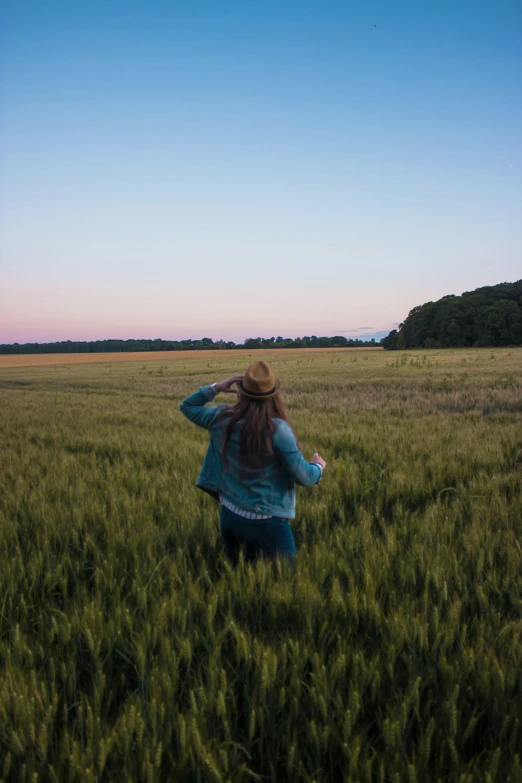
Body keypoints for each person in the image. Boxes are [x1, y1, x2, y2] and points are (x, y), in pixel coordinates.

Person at [180, 360, 326, 566]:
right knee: (286, 585)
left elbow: (187, 406)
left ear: (240, 391)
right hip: (267, 523)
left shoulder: (222, 417)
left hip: (230, 515)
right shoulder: (278, 430)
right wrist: (318, 466)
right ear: (274, 395)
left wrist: (217, 387)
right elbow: (305, 477)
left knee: (237, 576)